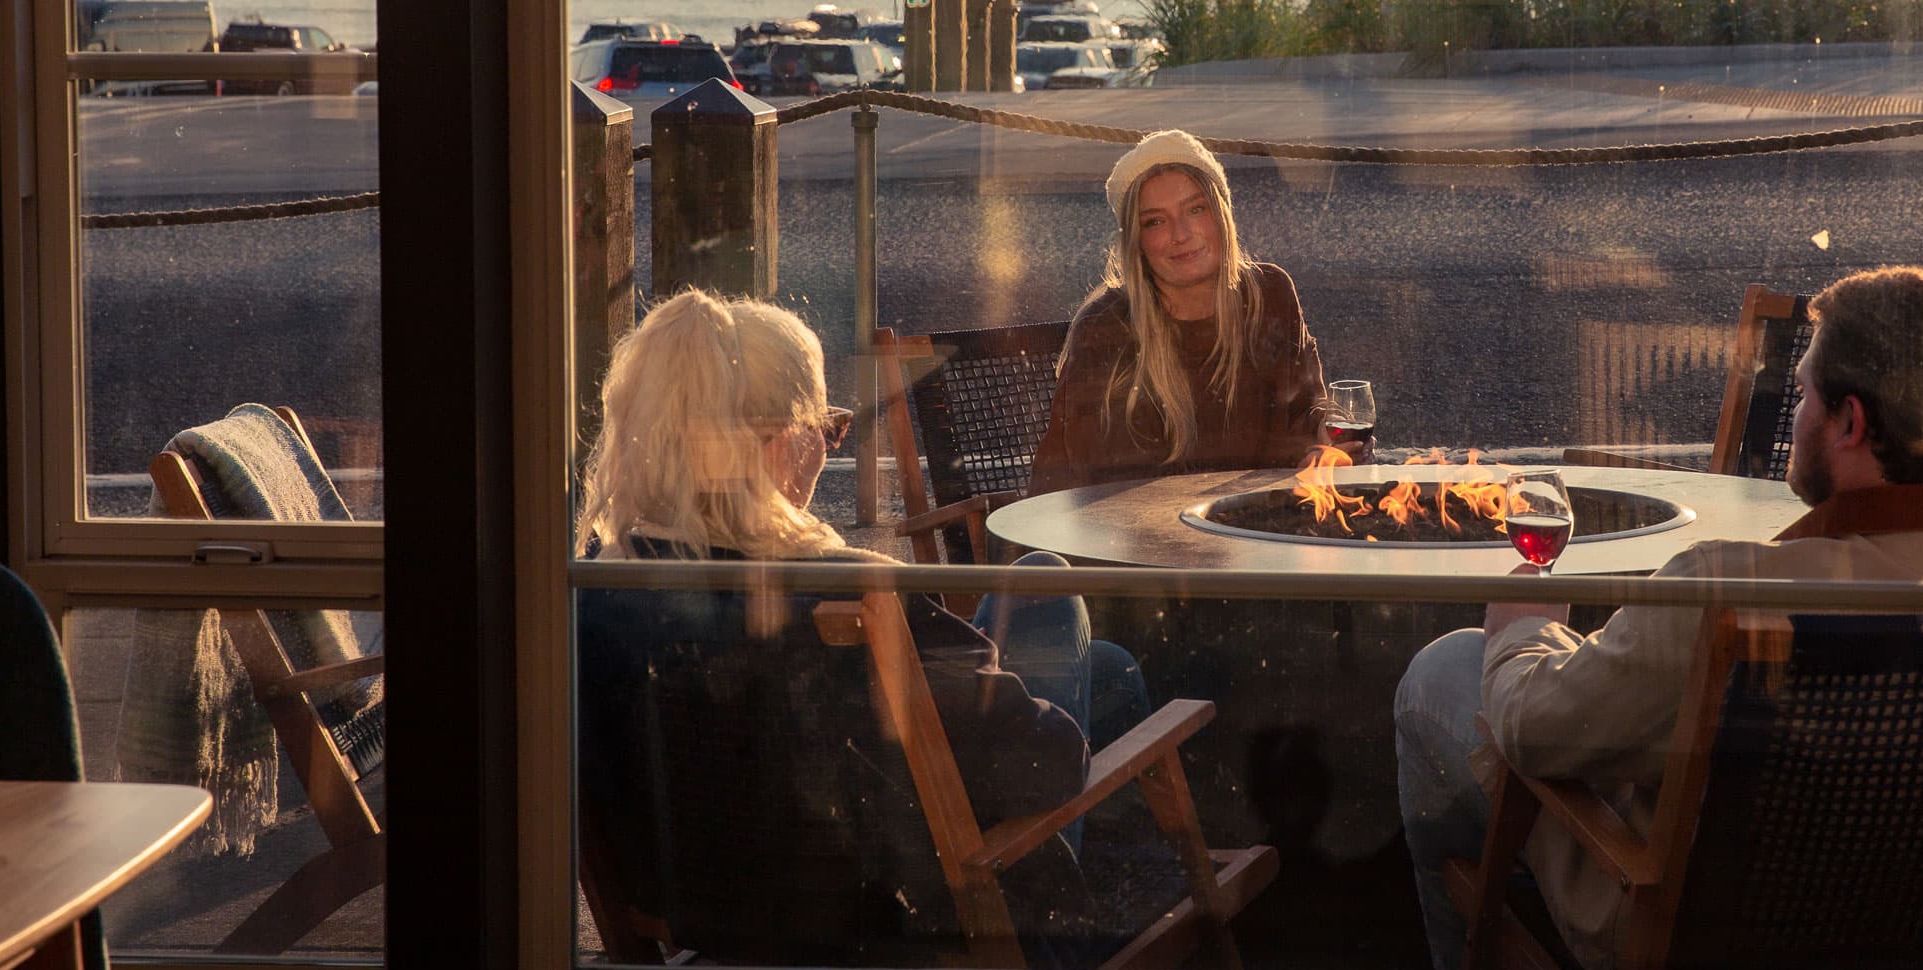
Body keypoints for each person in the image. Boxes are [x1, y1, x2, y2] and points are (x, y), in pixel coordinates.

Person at [1393, 265, 1923, 970]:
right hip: (1889, 938)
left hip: (1676, 930)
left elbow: (1533, 726)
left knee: (1442, 674)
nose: (1797, 408)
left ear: (1849, 421)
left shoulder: (1723, 588)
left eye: (1804, 392)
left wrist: (1522, 627)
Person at [576, 287, 1149, 834]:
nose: (828, 449)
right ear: (778, 444)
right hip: (921, 914)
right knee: (1044, 589)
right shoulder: (850, 594)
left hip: (707, 898)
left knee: (1106, 665)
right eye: (829, 428)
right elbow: (1044, 766)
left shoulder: (599, 588)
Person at [1029, 128, 1356, 494]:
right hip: (1140, 540)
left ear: (1221, 215)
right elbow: (1095, 490)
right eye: (1156, 221)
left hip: (1259, 530)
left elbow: (1308, 414)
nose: (1181, 234)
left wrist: (1324, 447)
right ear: (1137, 243)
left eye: (1195, 209)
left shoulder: (1269, 296)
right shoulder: (1107, 328)